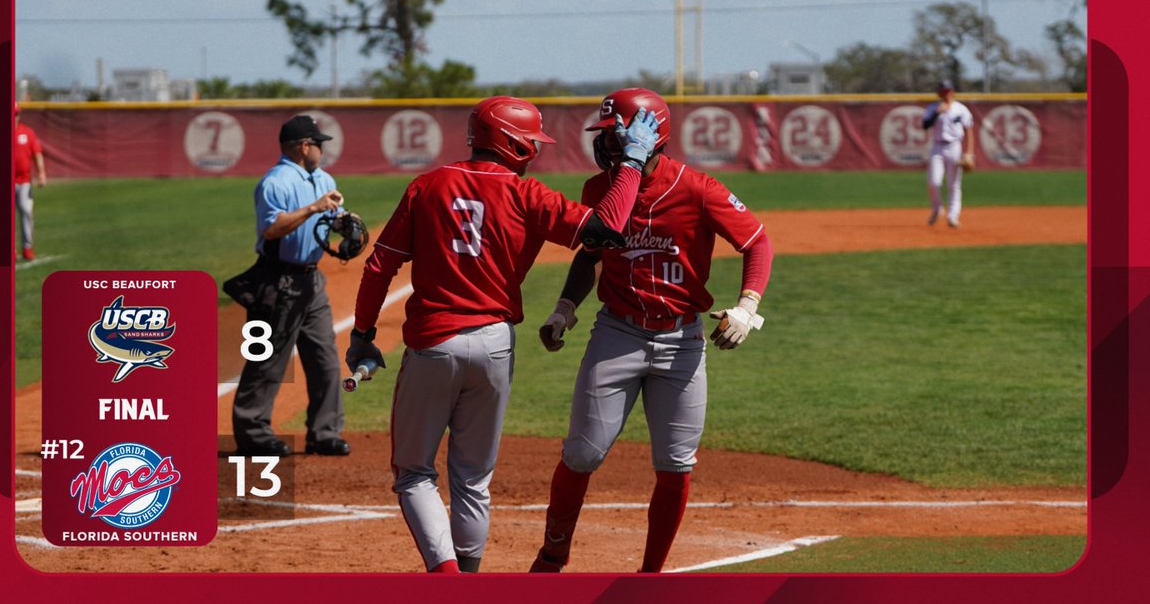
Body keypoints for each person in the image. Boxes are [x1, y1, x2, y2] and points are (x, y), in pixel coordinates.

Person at [345, 96, 658, 573]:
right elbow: (608, 228)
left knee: (413, 475)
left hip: (433, 341)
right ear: (514, 143)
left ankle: (449, 581)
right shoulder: (529, 196)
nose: (535, 149)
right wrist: (633, 163)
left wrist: (363, 333)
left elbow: (379, 266)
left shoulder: (427, 185)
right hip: (494, 343)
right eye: (531, 141)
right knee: (472, 478)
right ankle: (468, 581)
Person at [528, 88, 775, 574]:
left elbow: (758, 241)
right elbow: (590, 255)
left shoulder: (697, 188)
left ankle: (651, 577)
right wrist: (564, 307)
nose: (606, 147)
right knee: (581, 454)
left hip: (682, 341)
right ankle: (553, 554)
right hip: (617, 334)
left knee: (676, 464)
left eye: (615, 137)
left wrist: (748, 307)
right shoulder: (598, 190)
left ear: (650, 137)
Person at [232, 114, 357, 458]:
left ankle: (325, 432)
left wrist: (344, 225)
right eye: (319, 144)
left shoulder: (324, 178)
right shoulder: (276, 182)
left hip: (311, 281)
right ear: (304, 147)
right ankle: (253, 433)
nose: (322, 149)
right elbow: (271, 229)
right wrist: (314, 208)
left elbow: (331, 217)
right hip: (276, 280)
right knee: (268, 358)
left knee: (325, 358)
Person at [922, 79, 976, 228]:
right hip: (937, 146)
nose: (946, 93)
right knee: (933, 183)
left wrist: (969, 152)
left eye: (948, 90)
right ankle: (937, 208)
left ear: (953, 92)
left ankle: (953, 216)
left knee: (954, 184)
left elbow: (969, 130)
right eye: (943, 90)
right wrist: (936, 113)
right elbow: (925, 125)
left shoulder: (961, 109)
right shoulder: (933, 108)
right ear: (939, 93)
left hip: (954, 146)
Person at [13, 102, 47, 261]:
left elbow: (37, 153)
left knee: (26, 212)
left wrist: (41, 173)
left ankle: (27, 247)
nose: (14, 117)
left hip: (24, 181)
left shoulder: (27, 132)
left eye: (16, 114)